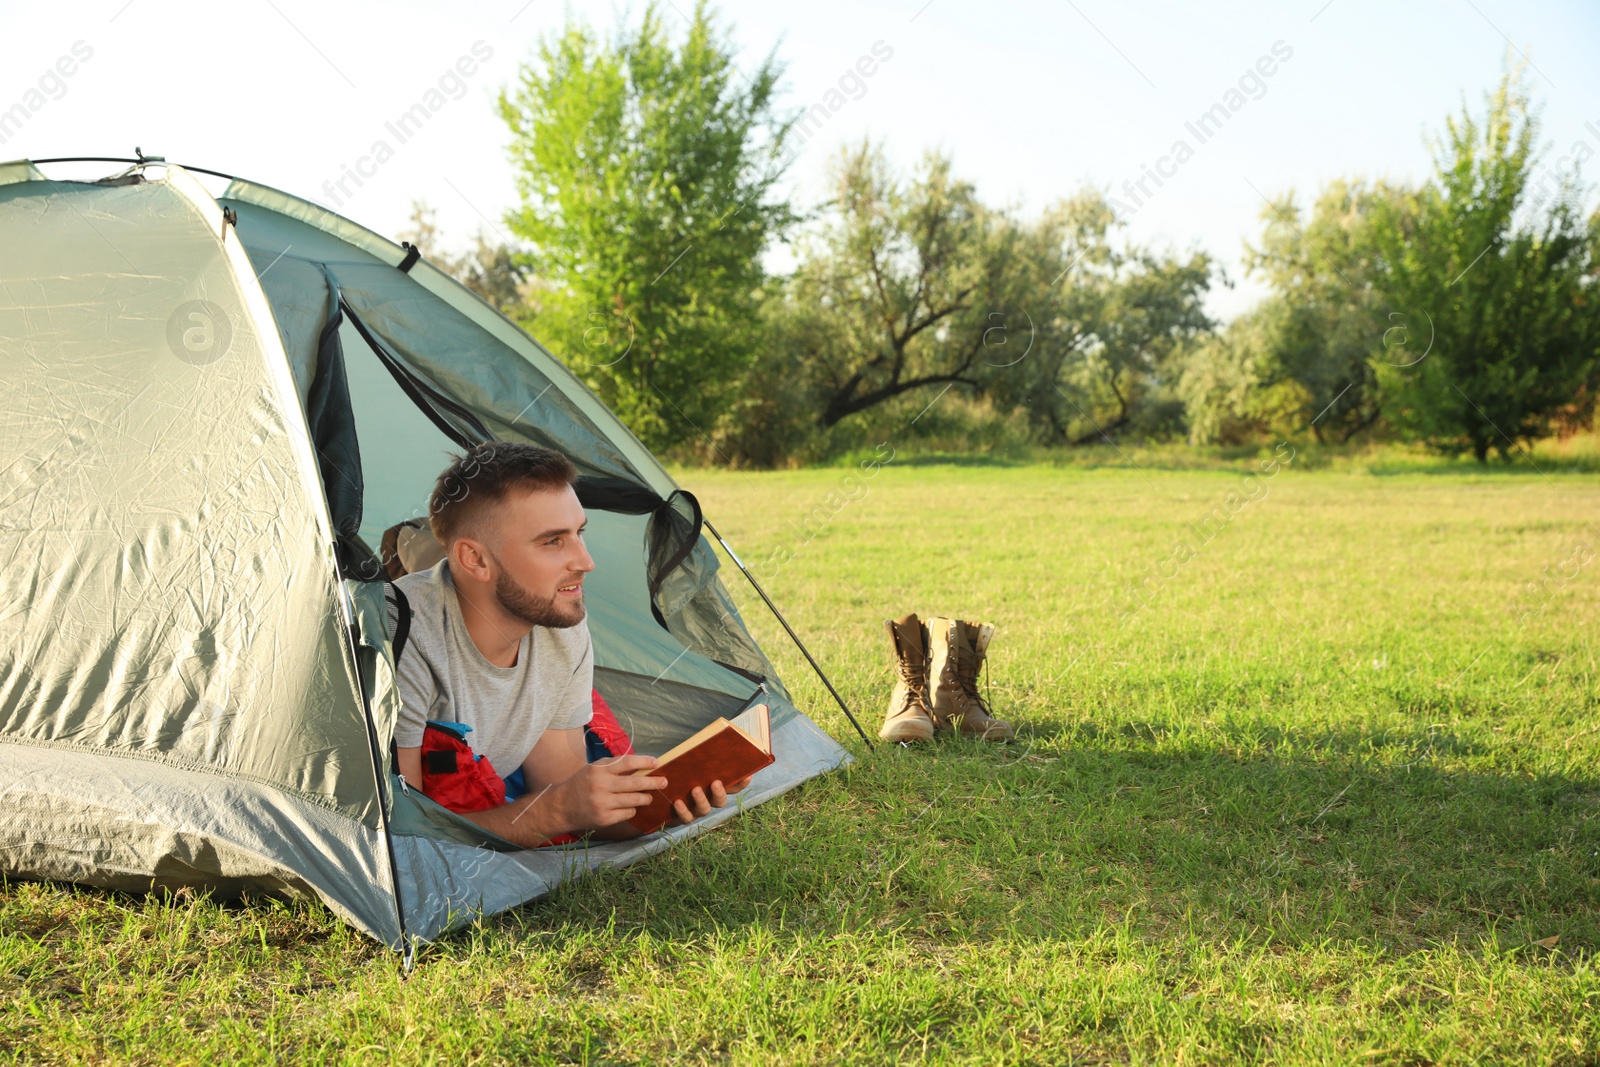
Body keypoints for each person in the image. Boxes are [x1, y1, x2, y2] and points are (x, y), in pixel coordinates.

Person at [392, 442, 750, 847]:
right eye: (552, 541)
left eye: (579, 533)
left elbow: (568, 796)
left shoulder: (558, 623)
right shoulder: (402, 641)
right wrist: (557, 809)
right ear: (475, 559)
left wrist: (668, 802)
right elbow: (406, 841)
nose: (585, 561)